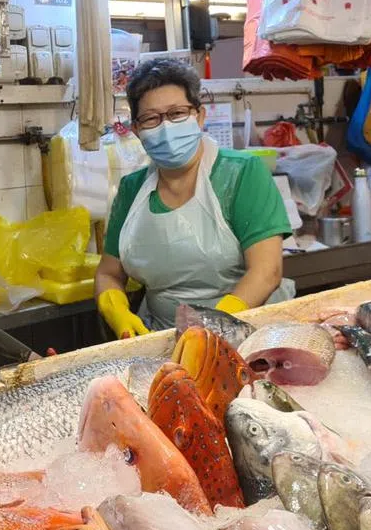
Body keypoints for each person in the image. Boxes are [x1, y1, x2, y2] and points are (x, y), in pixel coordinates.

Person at [95, 59, 295, 336]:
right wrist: (115, 311)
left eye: (177, 113)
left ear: (199, 117)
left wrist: (215, 326)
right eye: (152, 118)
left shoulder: (241, 174)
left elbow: (266, 272)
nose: (165, 127)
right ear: (137, 130)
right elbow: (109, 273)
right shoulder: (131, 190)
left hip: (248, 333)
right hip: (162, 337)